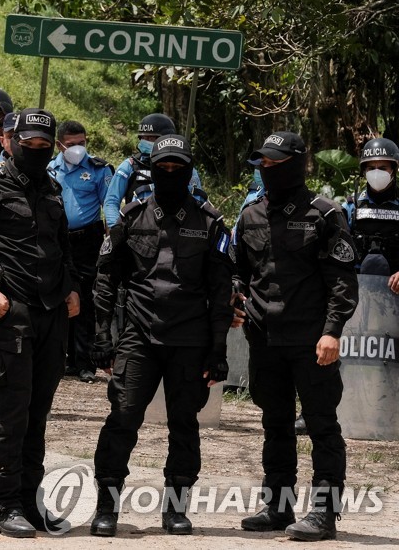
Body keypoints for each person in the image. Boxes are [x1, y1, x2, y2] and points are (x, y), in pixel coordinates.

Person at [89, 134, 234, 537]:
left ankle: (176, 509)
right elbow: (105, 279)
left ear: (189, 171)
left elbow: (222, 291)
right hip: (139, 337)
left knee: (184, 426)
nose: (170, 174)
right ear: (151, 170)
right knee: (121, 421)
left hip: (190, 341)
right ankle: (106, 508)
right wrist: (103, 335)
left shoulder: (210, 222)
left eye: (178, 168)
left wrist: (219, 350)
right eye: (162, 167)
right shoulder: (131, 217)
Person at [0, 108, 80, 539]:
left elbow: (62, 248)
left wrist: (70, 288)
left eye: (45, 146)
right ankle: (3, 505)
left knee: (38, 415)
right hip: (13, 316)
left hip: (51, 316)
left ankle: (28, 499)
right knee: (11, 415)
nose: (37, 152)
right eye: (29, 145)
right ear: (10, 142)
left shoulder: (55, 189)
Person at [235, 131, 358, 541]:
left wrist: (332, 332)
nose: (266, 170)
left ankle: (324, 514)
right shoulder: (250, 215)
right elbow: (241, 272)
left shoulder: (324, 214)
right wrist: (236, 303)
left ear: (296, 164)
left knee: (322, 425)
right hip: (264, 338)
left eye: (274, 163)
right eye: (262, 164)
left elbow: (342, 282)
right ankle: (278, 505)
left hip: (311, 341)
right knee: (276, 424)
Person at [47, 120, 113, 384]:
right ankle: (61, 358)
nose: (78, 149)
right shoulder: (49, 169)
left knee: (85, 299)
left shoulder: (99, 170)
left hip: (89, 240)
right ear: (60, 145)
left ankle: (83, 362)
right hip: (58, 240)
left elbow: (109, 206)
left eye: (82, 143)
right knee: (59, 295)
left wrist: (111, 244)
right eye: (72, 145)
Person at [103, 113, 202, 226]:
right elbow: (111, 201)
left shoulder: (186, 168)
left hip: (178, 229)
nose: (145, 141)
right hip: (138, 230)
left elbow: (197, 202)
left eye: (151, 138)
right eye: (143, 138)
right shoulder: (130, 166)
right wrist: (116, 228)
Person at [350, 137, 399, 283]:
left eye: (383, 168)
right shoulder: (351, 205)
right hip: (359, 288)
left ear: (393, 171)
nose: (376, 173)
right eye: (371, 168)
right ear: (364, 171)